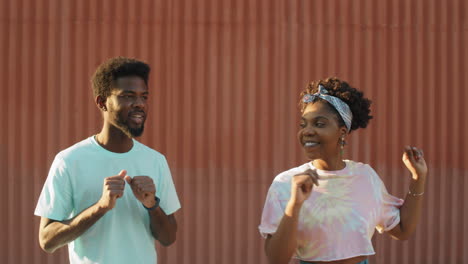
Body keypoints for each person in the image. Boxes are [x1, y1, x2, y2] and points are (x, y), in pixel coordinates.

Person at [259, 78, 427, 264]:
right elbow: (276, 259)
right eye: (303, 124)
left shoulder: (365, 177)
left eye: (319, 124)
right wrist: (294, 205)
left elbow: (402, 229)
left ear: (342, 132)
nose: (307, 131)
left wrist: (418, 177)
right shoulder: (286, 183)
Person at [35, 57, 181, 264]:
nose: (139, 103)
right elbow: (47, 240)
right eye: (128, 96)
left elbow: (169, 238)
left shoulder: (155, 161)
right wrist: (100, 207)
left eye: (144, 96)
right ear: (102, 102)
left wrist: (151, 205)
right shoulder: (69, 160)